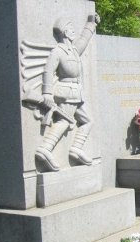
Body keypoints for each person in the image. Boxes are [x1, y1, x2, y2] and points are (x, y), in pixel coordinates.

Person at [35, 14, 100, 172]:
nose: (73, 31)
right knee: (64, 122)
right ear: (64, 32)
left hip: (77, 95)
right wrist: (47, 94)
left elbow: (83, 40)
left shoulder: (73, 50)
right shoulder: (58, 52)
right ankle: (45, 149)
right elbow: (48, 71)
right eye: (71, 29)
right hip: (66, 94)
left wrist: (91, 24)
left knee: (87, 121)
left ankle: (76, 149)